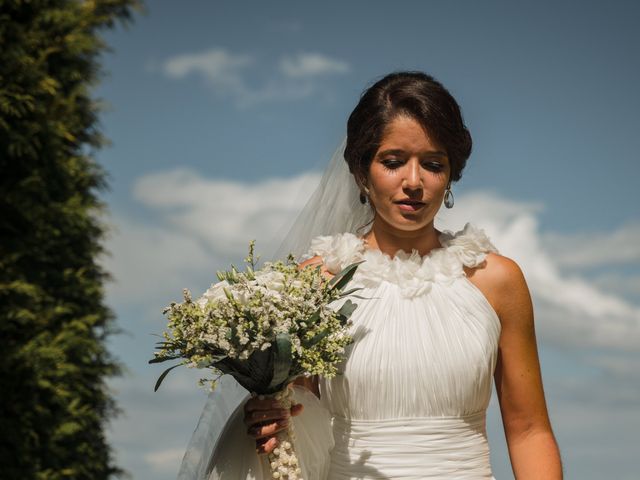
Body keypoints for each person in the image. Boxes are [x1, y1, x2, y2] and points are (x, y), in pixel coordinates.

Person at [178, 71, 563, 479]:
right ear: (362, 172)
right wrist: (274, 418)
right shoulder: (314, 285)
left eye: (432, 164)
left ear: (450, 175)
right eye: (393, 162)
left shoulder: (496, 280)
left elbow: (528, 431)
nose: (413, 182)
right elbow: (299, 420)